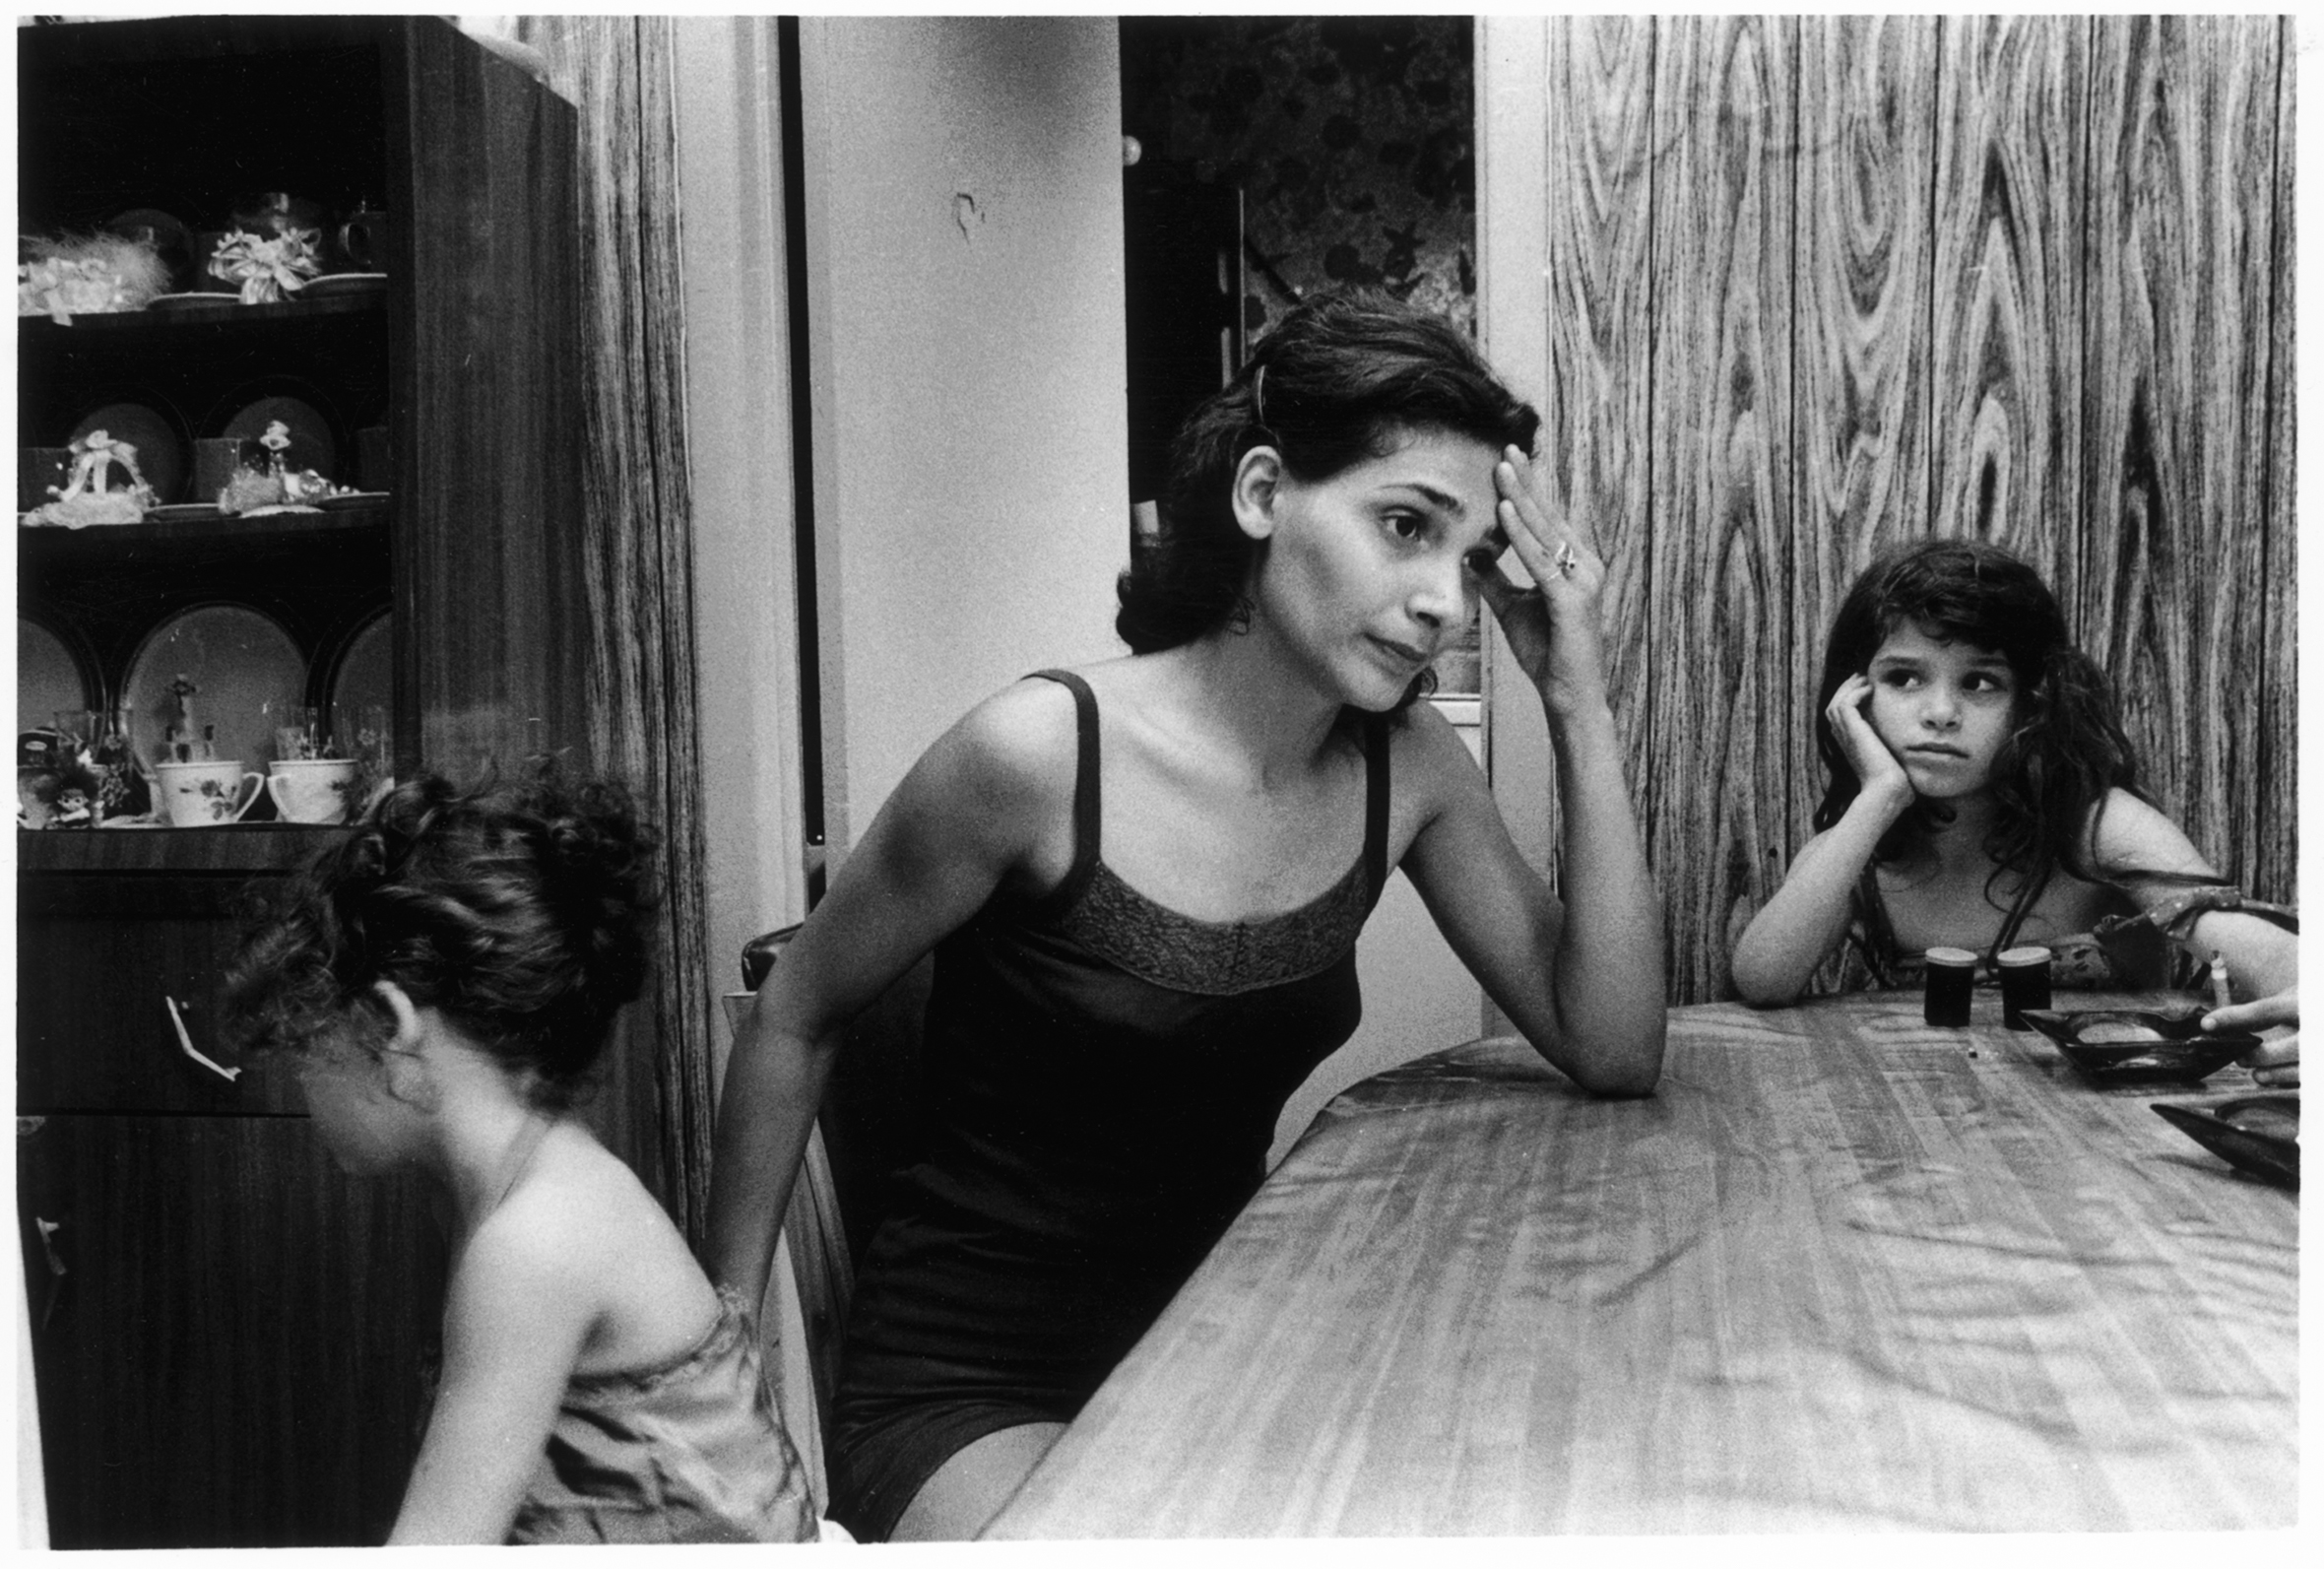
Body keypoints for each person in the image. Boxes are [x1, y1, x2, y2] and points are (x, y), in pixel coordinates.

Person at [708, 291, 1668, 1542]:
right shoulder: (1036, 755)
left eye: (1467, 556)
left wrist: (1573, 693)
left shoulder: (1407, 767)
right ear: (1263, 496)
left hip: (1226, 1346)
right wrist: (726, 1338)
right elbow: (794, 1014)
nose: (1441, 598)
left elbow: (1610, 1046)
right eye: (1401, 526)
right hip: (974, 1392)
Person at [224, 770, 818, 1544]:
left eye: (305, 1032)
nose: (300, 1074)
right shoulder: (521, 1183)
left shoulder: (535, 1237)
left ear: (387, 1021)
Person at [1731, 538, 2296, 1083]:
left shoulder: (2093, 824)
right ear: (1853, 699)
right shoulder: (1864, 845)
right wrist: (1878, 796)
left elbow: (2236, 937)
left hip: (2109, 1118)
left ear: (2030, 703)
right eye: (1903, 677)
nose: (1941, 712)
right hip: (1931, 1111)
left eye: (1980, 682)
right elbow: (1763, 979)